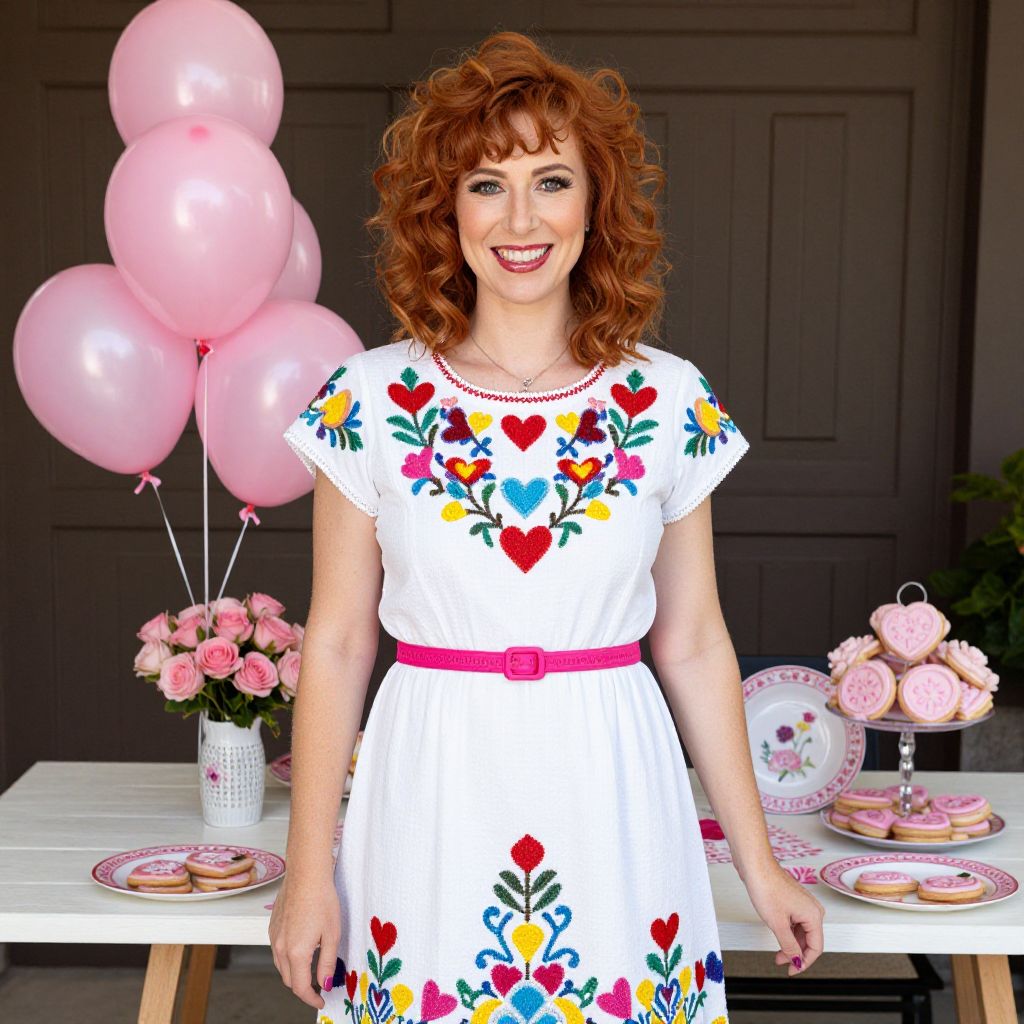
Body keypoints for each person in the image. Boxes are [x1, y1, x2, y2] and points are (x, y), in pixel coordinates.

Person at [271, 30, 824, 1023]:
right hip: (429, 779)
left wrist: (759, 865)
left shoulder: (668, 399)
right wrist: (306, 872)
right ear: (444, 209)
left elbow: (694, 642)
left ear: (594, 206)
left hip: (610, 777)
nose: (519, 218)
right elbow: (342, 641)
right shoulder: (366, 396)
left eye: (552, 180)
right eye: (485, 184)